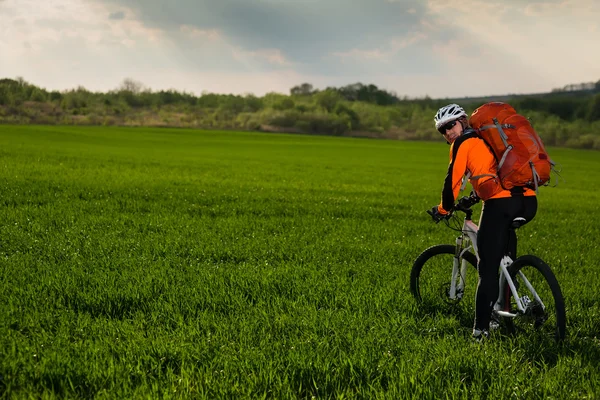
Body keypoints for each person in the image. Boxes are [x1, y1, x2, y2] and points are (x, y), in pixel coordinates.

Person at [429, 103, 538, 341]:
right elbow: (494, 174)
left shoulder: (463, 143)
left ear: (463, 121)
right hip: (528, 201)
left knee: (486, 269)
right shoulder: (487, 139)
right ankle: (510, 308)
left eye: (451, 125)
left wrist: (443, 209)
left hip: (501, 206)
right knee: (506, 260)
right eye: (443, 130)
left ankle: (480, 332)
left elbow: (452, 183)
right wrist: (474, 197)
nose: (448, 132)